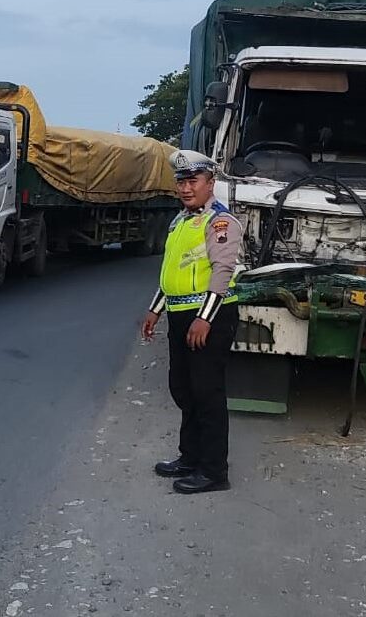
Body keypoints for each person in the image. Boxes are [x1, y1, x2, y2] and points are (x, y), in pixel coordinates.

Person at [141, 150, 241, 494]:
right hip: (182, 315)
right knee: (183, 389)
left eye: (193, 180)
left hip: (210, 318)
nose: (185, 188)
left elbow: (223, 272)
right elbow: (172, 272)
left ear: (210, 183)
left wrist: (204, 318)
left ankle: (214, 471)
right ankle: (190, 457)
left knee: (207, 393)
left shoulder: (221, 222)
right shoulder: (180, 221)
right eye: (181, 181)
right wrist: (156, 309)